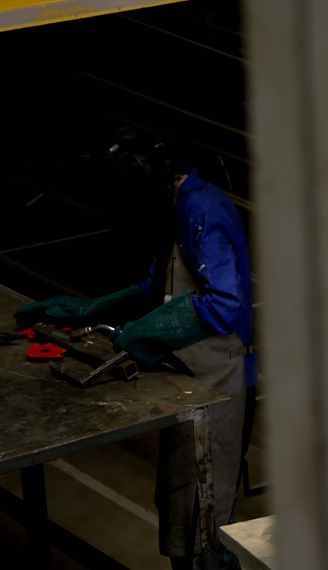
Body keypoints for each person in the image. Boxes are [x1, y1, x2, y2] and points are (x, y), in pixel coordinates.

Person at [15, 140, 255, 569]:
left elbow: (225, 304)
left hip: (214, 377)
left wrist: (146, 331)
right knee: (178, 498)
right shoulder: (175, 206)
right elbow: (154, 288)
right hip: (186, 376)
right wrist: (89, 310)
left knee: (204, 514)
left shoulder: (200, 210)